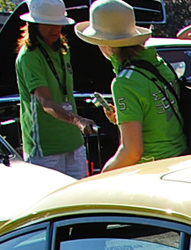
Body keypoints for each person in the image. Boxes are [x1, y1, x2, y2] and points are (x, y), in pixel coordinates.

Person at [78, 0, 184, 170]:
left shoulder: (124, 83)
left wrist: (103, 175)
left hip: (152, 170)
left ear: (104, 43)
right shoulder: (158, 64)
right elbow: (157, 115)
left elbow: (132, 151)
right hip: (182, 161)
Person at [17, 0, 94, 177]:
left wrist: (77, 123)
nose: (55, 30)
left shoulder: (63, 50)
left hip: (74, 143)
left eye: (58, 24)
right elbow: (46, 102)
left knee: (78, 200)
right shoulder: (29, 56)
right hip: (45, 148)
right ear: (34, 25)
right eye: (48, 24)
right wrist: (78, 121)